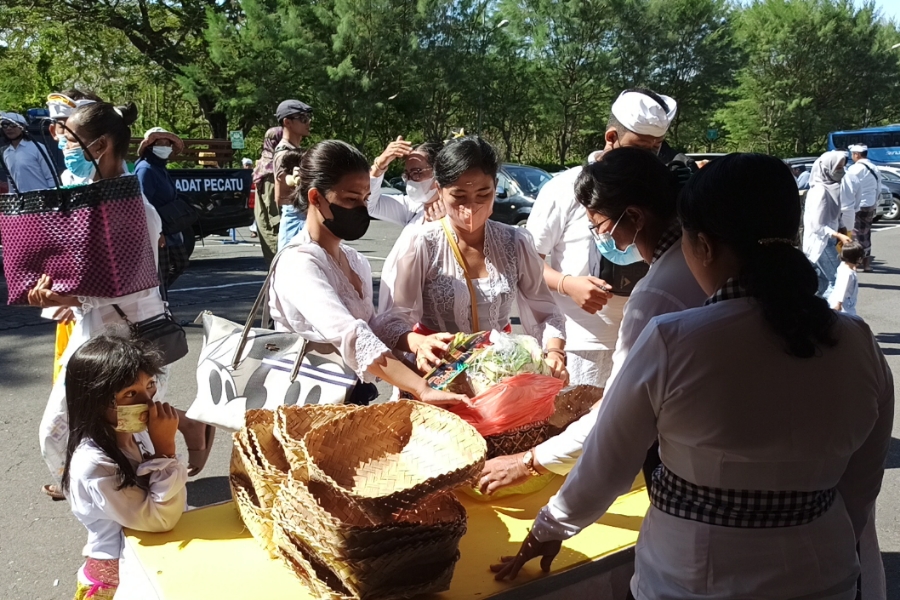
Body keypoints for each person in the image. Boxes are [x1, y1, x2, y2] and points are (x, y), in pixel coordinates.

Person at [492, 153, 893, 600]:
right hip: (824, 572)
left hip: (691, 578)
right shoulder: (857, 341)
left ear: (702, 245)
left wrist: (551, 525)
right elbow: (861, 486)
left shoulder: (674, 340)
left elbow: (608, 458)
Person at [479, 147, 706, 495]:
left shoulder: (656, 295)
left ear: (634, 216)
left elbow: (617, 415)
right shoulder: (695, 263)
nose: (603, 240)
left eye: (599, 226)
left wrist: (529, 464)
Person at [29, 102, 213, 501]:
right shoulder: (85, 197)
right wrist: (60, 296)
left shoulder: (134, 208)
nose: (63, 147)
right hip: (96, 322)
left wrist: (71, 296)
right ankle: (121, 480)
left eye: (70, 140)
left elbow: (132, 283)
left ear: (99, 146)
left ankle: (103, 488)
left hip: (127, 329)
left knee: (64, 422)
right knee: (116, 415)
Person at [267, 139, 468, 407]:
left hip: (346, 404)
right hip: (303, 406)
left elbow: (372, 325)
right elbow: (350, 334)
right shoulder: (299, 263)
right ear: (316, 197)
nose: (362, 208)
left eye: (365, 199)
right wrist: (421, 388)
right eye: (351, 198)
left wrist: (417, 341)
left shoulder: (354, 260)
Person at [375, 136, 567, 381]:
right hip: (438, 372)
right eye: (459, 197)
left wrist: (554, 352)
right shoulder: (422, 242)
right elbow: (391, 320)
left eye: (483, 194)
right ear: (439, 190)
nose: (471, 207)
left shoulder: (514, 242)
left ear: (495, 187)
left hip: (501, 372)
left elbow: (546, 311)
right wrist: (418, 343)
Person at [525, 89, 679, 389]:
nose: (647, 159)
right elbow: (527, 265)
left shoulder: (659, 190)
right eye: (639, 148)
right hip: (578, 345)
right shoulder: (564, 189)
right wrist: (567, 284)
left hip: (643, 339)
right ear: (612, 137)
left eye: (656, 149)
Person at [62, 335, 187, 600]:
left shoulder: (134, 432)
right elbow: (160, 519)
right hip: (117, 582)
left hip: (151, 560)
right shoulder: (95, 464)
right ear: (94, 401)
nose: (149, 403)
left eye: (150, 386)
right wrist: (165, 451)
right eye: (130, 394)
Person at [134, 127, 190, 289]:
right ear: (149, 146)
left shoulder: (160, 167)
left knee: (180, 263)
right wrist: (156, 233)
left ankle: (160, 295)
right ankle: (160, 301)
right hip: (158, 230)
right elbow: (143, 203)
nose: (165, 146)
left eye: (167, 143)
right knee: (161, 271)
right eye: (160, 143)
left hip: (170, 226)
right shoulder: (146, 169)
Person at [803, 150, 854, 298]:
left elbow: (835, 215)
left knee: (823, 283)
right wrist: (839, 234)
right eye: (838, 168)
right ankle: (831, 316)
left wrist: (842, 227)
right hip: (820, 243)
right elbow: (817, 226)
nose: (842, 171)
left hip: (827, 240)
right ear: (827, 168)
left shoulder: (832, 187)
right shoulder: (820, 191)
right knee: (837, 281)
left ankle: (812, 313)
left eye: (843, 167)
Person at [367, 136, 447, 226]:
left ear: (439, 173)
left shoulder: (459, 212)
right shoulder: (412, 208)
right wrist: (379, 166)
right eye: (406, 175)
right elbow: (369, 205)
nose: (410, 180)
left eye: (416, 173)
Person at [274, 99, 313, 250]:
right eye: (302, 119)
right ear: (287, 122)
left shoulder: (294, 149)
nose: (308, 122)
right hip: (295, 220)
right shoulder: (283, 153)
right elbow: (280, 197)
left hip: (304, 217)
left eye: (308, 118)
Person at [0, 112, 57, 192]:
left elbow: (52, 176)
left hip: (42, 199)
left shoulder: (37, 147)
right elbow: (11, 182)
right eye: (5, 125)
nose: (9, 128)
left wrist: (52, 197)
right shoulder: (7, 153)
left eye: (13, 124)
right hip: (21, 202)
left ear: (23, 127)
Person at [847, 144, 882, 272]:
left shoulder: (854, 169)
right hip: (870, 204)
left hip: (857, 205)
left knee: (854, 234)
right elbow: (879, 187)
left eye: (852, 154)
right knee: (866, 234)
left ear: (857, 154)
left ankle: (855, 264)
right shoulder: (874, 167)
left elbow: (849, 188)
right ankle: (867, 265)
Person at [252, 127, 284, 265]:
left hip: (267, 221)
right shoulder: (271, 169)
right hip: (272, 226)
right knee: (277, 264)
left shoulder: (264, 161)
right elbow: (272, 205)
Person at [829, 240, 863, 317]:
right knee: (849, 321)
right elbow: (842, 288)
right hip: (844, 304)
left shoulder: (843, 265)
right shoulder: (848, 273)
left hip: (837, 299)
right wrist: (839, 304)